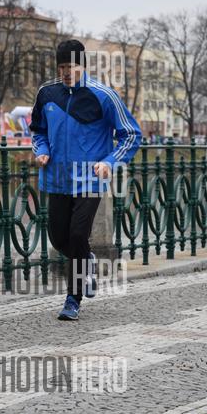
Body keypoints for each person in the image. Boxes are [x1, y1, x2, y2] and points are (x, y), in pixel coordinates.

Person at [29, 39, 142, 321]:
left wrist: (110, 162)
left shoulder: (103, 96)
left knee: (79, 235)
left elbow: (131, 134)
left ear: (83, 65)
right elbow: (37, 131)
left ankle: (73, 299)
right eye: (62, 67)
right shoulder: (47, 93)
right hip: (56, 179)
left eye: (72, 66)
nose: (66, 72)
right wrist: (41, 151)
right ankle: (87, 261)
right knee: (59, 238)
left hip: (89, 178)